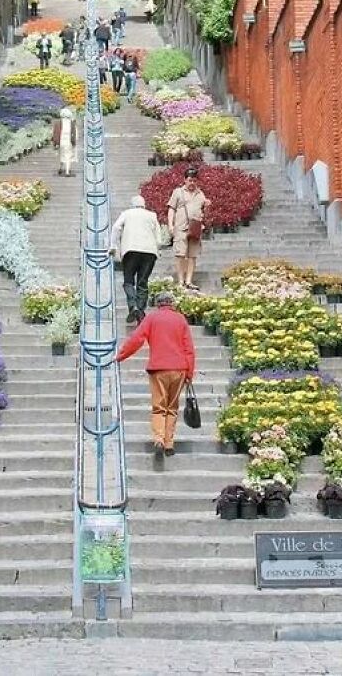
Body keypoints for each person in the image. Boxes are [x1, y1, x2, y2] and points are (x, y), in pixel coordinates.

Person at [115, 292, 195, 462]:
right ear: (171, 303)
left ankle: (158, 439)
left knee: (159, 406)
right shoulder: (180, 319)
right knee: (172, 407)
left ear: (157, 304)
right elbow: (189, 348)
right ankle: (169, 443)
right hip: (179, 368)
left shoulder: (151, 319)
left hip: (158, 368)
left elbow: (136, 339)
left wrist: (120, 356)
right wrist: (189, 372)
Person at [110, 195, 163, 324]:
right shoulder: (152, 215)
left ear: (132, 204)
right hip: (149, 251)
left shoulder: (127, 213)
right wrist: (158, 248)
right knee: (143, 282)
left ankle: (132, 305)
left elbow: (116, 228)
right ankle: (140, 309)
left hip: (130, 250)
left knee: (128, 281)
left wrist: (113, 246)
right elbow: (159, 237)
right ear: (144, 204)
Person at [167, 166, 209, 290]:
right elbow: (171, 209)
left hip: (195, 228)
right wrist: (170, 224)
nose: (192, 183)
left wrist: (207, 207)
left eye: (195, 180)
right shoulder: (178, 192)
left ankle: (189, 281)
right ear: (185, 180)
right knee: (180, 254)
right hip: (181, 228)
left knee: (192, 255)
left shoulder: (200, 194)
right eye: (190, 180)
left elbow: (204, 211)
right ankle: (180, 281)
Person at [52, 106, 77, 177]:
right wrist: (74, 142)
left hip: (61, 141)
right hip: (68, 141)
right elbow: (74, 134)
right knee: (68, 156)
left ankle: (60, 168)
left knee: (61, 154)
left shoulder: (58, 123)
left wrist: (55, 143)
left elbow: (55, 133)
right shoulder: (72, 123)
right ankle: (67, 171)